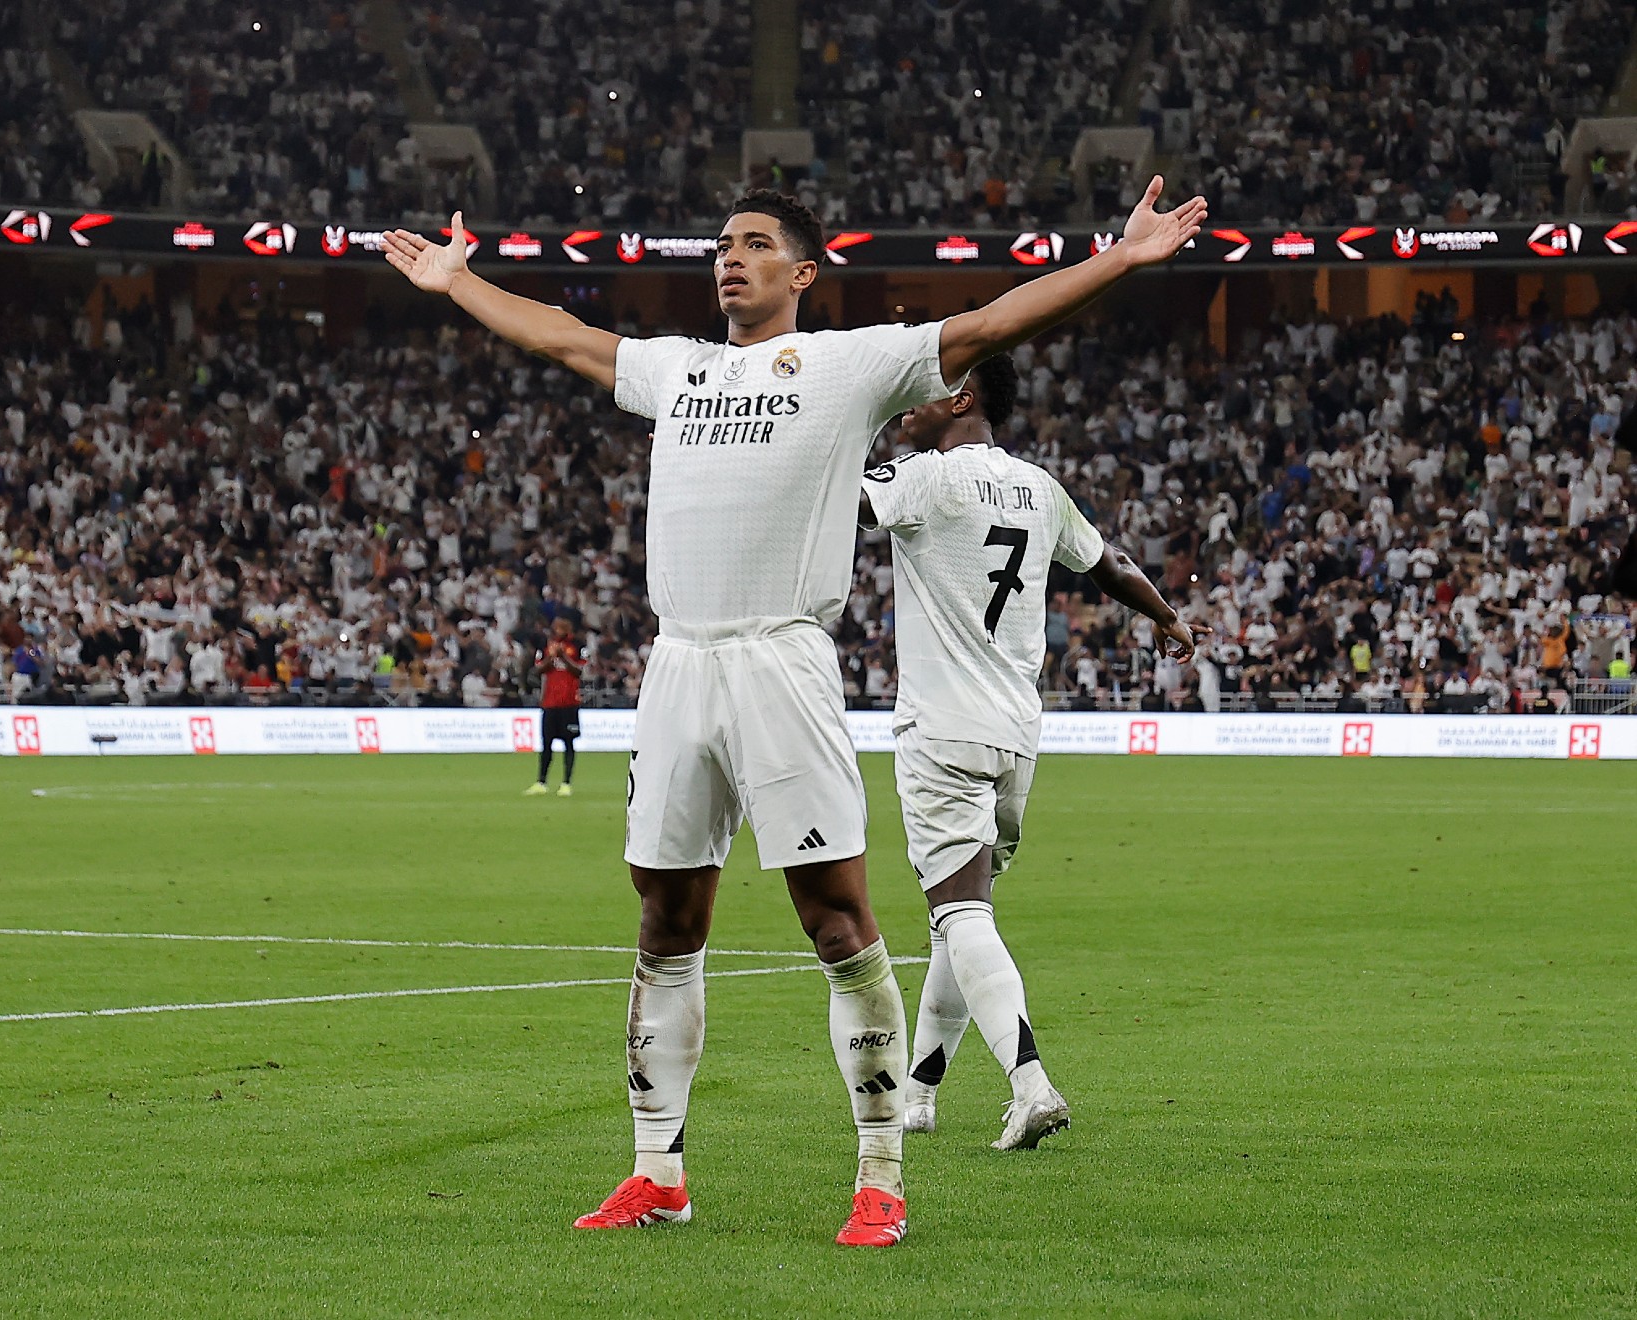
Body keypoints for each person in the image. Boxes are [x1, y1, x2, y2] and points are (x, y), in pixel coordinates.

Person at [381, 176, 1206, 1246]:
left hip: (783, 662)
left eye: (757, 243)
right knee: (665, 924)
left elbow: (996, 320)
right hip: (677, 668)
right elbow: (565, 338)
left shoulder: (849, 363)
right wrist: (460, 282)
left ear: (803, 273)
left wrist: (1119, 260)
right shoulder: (679, 371)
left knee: (838, 923)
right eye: (723, 243)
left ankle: (879, 1178)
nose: (731, 257)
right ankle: (657, 1172)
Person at [858, 353, 1208, 1150]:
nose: (910, 400)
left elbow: (842, 501)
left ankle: (1031, 1083)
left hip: (941, 728)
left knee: (960, 912)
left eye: (925, 387)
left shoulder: (926, 478)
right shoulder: (1038, 487)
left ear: (962, 398)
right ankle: (918, 1092)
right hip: (1016, 735)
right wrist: (1169, 618)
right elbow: (1109, 563)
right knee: (962, 916)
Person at [526, 617, 584, 796]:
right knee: (546, 743)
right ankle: (541, 782)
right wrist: (551, 658)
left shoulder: (577, 646)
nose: (556, 630)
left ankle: (566, 783)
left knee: (569, 742)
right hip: (549, 702)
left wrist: (563, 657)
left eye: (560, 627)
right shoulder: (545, 646)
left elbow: (579, 671)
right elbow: (537, 671)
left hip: (569, 702)